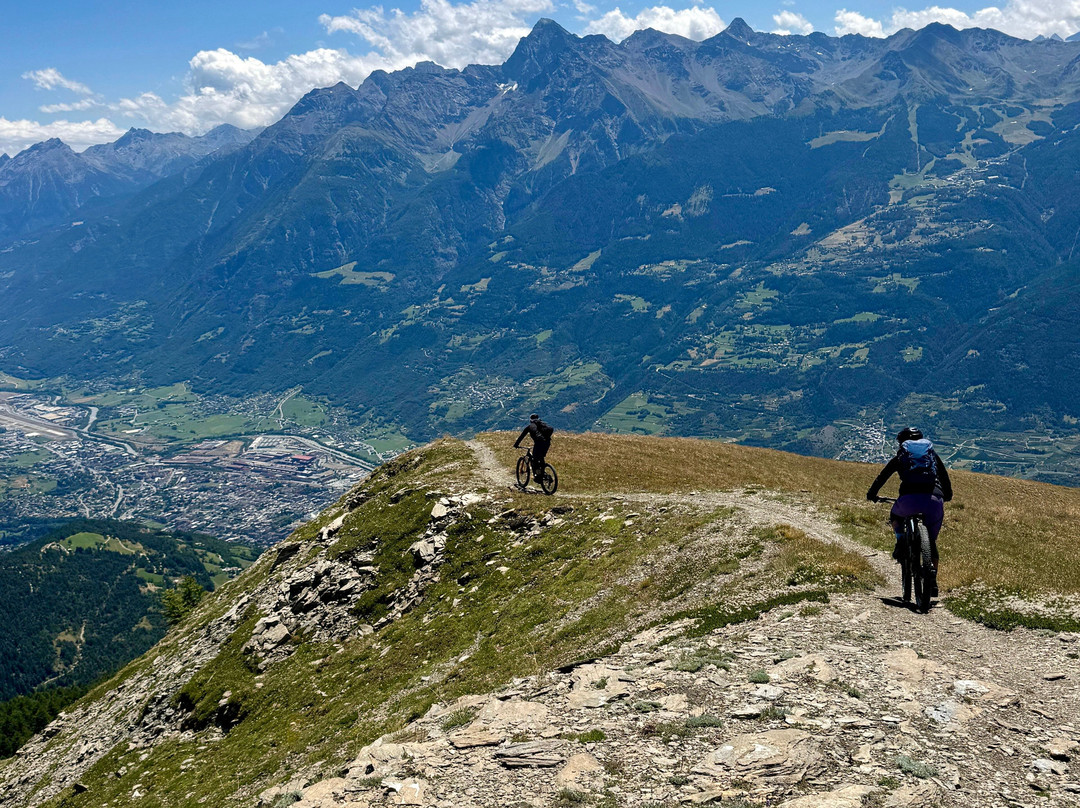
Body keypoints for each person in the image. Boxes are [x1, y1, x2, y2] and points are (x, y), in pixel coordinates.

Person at [866, 427, 952, 596]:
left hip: (908, 500)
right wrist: (947, 495)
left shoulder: (902, 457)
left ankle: (900, 541)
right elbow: (944, 476)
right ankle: (932, 578)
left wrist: (872, 494)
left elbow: (883, 476)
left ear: (902, 443)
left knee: (895, 515)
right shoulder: (931, 455)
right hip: (933, 501)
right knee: (931, 542)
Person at [514, 414, 554, 478]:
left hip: (539, 443)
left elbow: (522, 436)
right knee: (541, 457)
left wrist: (516, 444)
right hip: (547, 443)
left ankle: (538, 476)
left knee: (535, 459)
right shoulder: (542, 425)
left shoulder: (530, 426)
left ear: (530, 420)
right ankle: (542, 473)